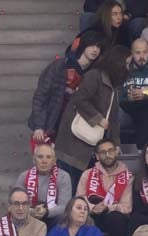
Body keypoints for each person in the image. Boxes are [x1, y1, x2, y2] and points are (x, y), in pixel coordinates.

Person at [55, 48, 130, 184]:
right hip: (73, 140)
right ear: (118, 64)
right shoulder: (94, 76)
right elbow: (80, 100)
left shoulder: (114, 86)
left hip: (90, 144)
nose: (129, 68)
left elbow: (114, 118)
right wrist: (98, 119)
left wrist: (116, 143)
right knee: (69, 182)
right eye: (127, 64)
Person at [77, 140, 134, 236]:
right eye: (103, 152)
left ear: (117, 151)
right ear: (97, 156)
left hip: (113, 217)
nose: (107, 155)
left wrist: (108, 208)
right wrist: (92, 208)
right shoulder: (87, 174)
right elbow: (80, 199)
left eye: (110, 151)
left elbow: (127, 207)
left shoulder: (127, 176)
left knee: (117, 218)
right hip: (91, 213)